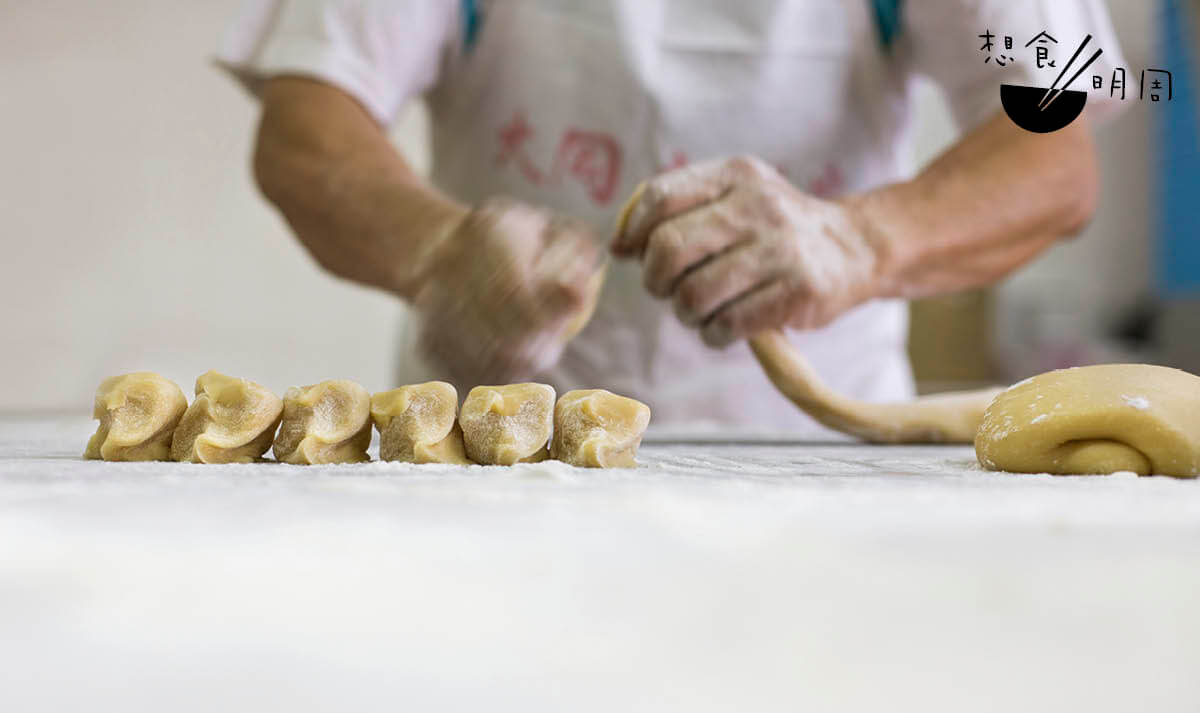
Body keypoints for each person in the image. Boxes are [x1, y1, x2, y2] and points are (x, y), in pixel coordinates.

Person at [218, 0, 1125, 433]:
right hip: (493, 445)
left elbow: (1053, 152)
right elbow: (308, 124)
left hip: (818, 457)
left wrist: (859, 243)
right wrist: (435, 252)